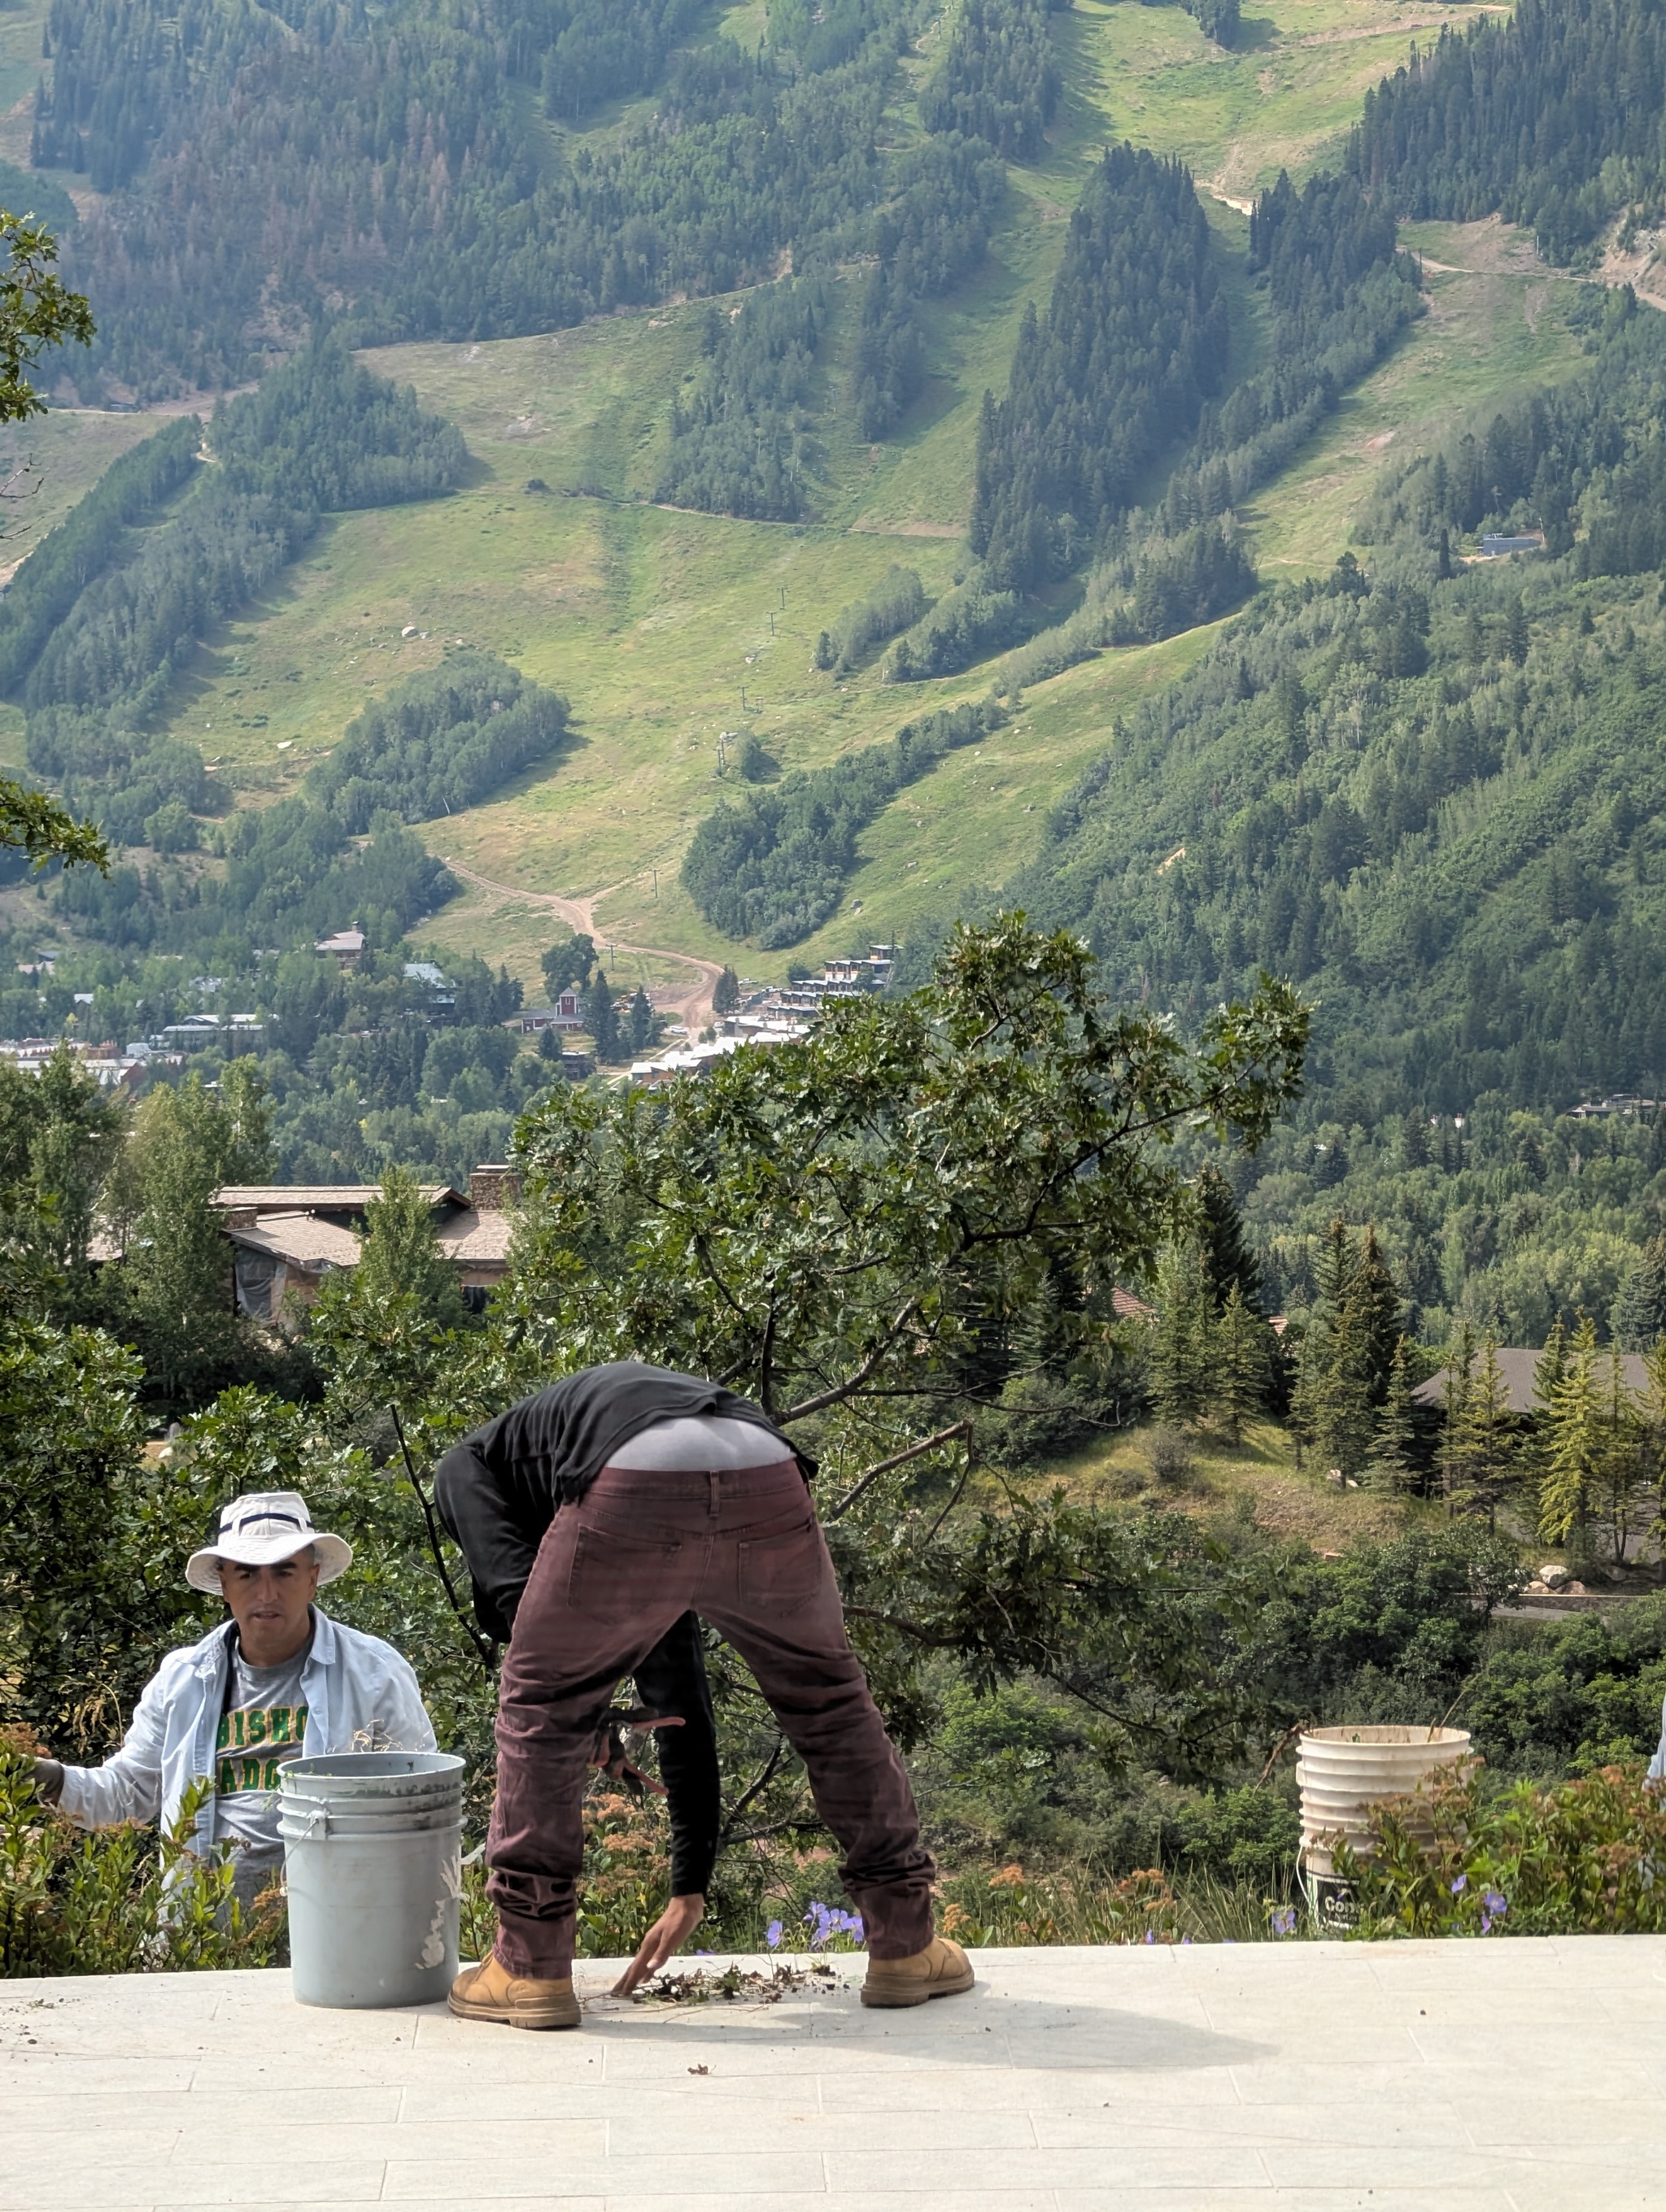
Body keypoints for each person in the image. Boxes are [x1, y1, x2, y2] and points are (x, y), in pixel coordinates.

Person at [436, 1360, 972, 2029]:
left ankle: (527, 1966)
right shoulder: (564, 1441)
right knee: (830, 1701)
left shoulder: (467, 1466)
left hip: (631, 1477)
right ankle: (907, 1948)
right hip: (764, 1464)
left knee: (540, 1704)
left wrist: (580, 1705)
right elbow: (679, 1704)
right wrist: (690, 1886)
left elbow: (526, 1622)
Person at [33, 1491, 436, 1918]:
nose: (267, 1593)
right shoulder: (182, 1679)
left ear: (312, 1578)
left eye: (284, 1572)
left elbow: (419, 1800)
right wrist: (51, 1780)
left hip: (340, 1930)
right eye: (246, 1574)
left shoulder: (374, 1673)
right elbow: (129, 1793)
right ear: (224, 1584)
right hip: (198, 1938)